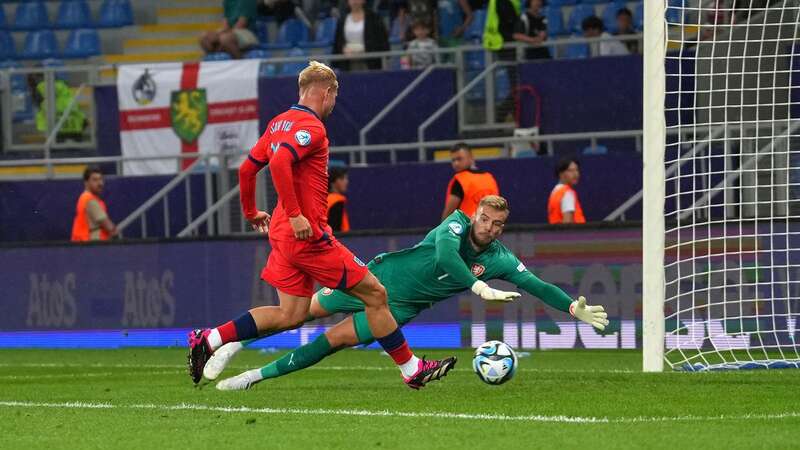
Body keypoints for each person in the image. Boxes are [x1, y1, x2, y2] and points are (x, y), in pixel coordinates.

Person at [188, 61, 455, 390]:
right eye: (334, 97)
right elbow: (282, 162)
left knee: (291, 315)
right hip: (306, 234)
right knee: (376, 293)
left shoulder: (277, 123)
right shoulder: (311, 127)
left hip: (283, 234)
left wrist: (250, 211)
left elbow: (246, 170)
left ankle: (210, 338)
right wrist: (298, 213)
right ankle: (411, 368)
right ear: (326, 92)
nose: (333, 104)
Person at [206, 195, 609, 390]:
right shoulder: (454, 226)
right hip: (375, 280)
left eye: (496, 224)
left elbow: (535, 285)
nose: (488, 227)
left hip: (398, 309)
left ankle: (252, 378)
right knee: (299, 313)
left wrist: (572, 306)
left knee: (333, 341)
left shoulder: (501, 258)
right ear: (474, 216)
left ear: (503, 228)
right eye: (484, 219)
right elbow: (449, 258)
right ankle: (232, 342)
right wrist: (476, 285)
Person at [442, 143, 500, 220]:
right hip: (490, 227)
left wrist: (441, 229)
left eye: (459, 159)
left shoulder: (459, 180)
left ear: (471, 158)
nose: (456, 163)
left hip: (467, 228)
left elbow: (449, 211)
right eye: (453, 160)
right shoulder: (489, 177)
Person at [332, 0, 390, 71]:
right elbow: (338, 43)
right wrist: (343, 50)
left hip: (370, 63)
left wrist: (363, 50)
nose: (354, 1)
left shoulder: (374, 18)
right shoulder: (342, 20)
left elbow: (382, 42)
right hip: (348, 63)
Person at [71, 167, 117, 242]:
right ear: (86, 183)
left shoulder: (84, 198)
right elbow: (109, 227)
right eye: (95, 180)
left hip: (83, 244)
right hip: (93, 245)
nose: (100, 183)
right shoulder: (90, 200)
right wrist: (114, 230)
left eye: (101, 179)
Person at [547, 157, 586, 224]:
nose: (575, 174)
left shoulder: (555, 191)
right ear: (561, 174)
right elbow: (568, 224)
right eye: (570, 170)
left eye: (576, 170)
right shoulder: (567, 193)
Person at [327, 166, 350, 233]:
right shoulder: (336, 201)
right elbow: (335, 229)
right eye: (342, 178)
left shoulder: (325, 198)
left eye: (346, 178)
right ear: (333, 182)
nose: (346, 181)